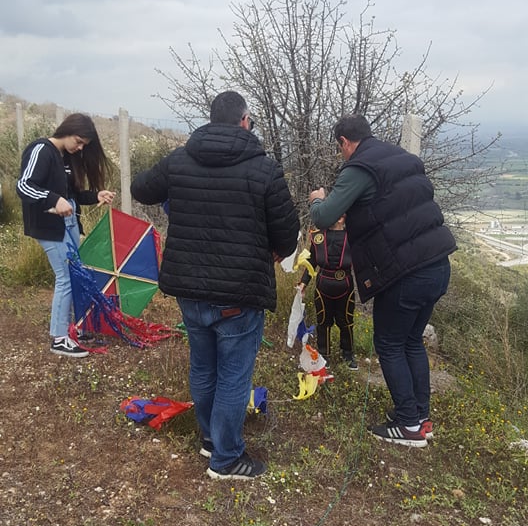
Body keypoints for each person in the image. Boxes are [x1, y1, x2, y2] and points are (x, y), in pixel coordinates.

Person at [131, 90, 299, 480]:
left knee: (204, 367)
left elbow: (141, 189)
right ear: (245, 121)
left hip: (189, 288)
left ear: (210, 120)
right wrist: (273, 249)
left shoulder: (180, 159)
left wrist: (179, 185)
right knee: (233, 375)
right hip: (238, 292)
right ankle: (225, 458)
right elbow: (288, 234)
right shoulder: (264, 169)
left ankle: (210, 438)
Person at [309, 114, 456, 447]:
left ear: (344, 143)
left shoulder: (359, 168)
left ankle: (408, 424)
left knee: (388, 344)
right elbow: (389, 207)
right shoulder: (402, 159)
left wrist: (318, 198)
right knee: (411, 341)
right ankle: (421, 418)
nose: (342, 155)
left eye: (340, 149)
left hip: (407, 273)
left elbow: (324, 217)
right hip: (437, 264)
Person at [17, 113, 115, 357]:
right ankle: (59, 338)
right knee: (66, 278)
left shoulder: (66, 158)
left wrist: (96, 196)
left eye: (84, 145)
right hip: (49, 224)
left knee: (76, 275)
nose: (79, 147)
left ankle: (74, 328)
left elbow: (73, 195)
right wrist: (54, 199)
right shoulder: (41, 149)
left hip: (69, 223)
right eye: (79, 141)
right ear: (67, 130)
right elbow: (24, 185)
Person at [299, 216, 357, 370]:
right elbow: (311, 262)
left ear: (342, 218)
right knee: (323, 321)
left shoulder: (353, 236)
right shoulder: (317, 237)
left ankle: (348, 353)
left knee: (346, 321)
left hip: (345, 286)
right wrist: (303, 283)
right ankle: (324, 355)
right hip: (323, 285)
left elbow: (363, 261)